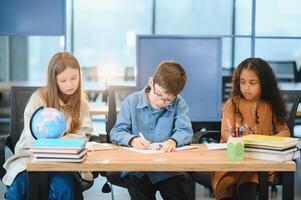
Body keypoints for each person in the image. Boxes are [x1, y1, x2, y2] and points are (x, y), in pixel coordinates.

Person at [3, 52, 93, 200]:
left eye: (74, 78)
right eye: (63, 80)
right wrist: (55, 142)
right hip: (32, 159)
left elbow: (84, 133)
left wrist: (63, 142)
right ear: (53, 80)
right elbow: (31, 135)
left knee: (65, 189)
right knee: (19, 189)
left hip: (65, 161)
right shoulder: (39, 99)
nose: (70, 84)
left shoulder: (81, 103)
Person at [110, 61, 193, 200]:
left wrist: (173, 140)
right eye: (158, 94)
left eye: (168, 100)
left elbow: (185, 131)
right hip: (138, 169)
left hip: (167, 168)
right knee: (137, 186)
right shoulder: (131, 101)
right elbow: (116, 132)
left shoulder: (179, 103)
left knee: (177, 190)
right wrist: (132, 140)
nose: (161, 102)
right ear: (151, 82)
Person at [212, 57, 290, 200]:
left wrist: (264, 141)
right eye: (242, 82)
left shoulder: (270, 105)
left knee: (251, 177)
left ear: (264, 83)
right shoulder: (232, 103)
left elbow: (285, 132)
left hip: (259, 161)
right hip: (233, 161)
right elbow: (225, 134)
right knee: (229, 180)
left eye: (252, 83)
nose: (246, 88)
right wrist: (233, 139)